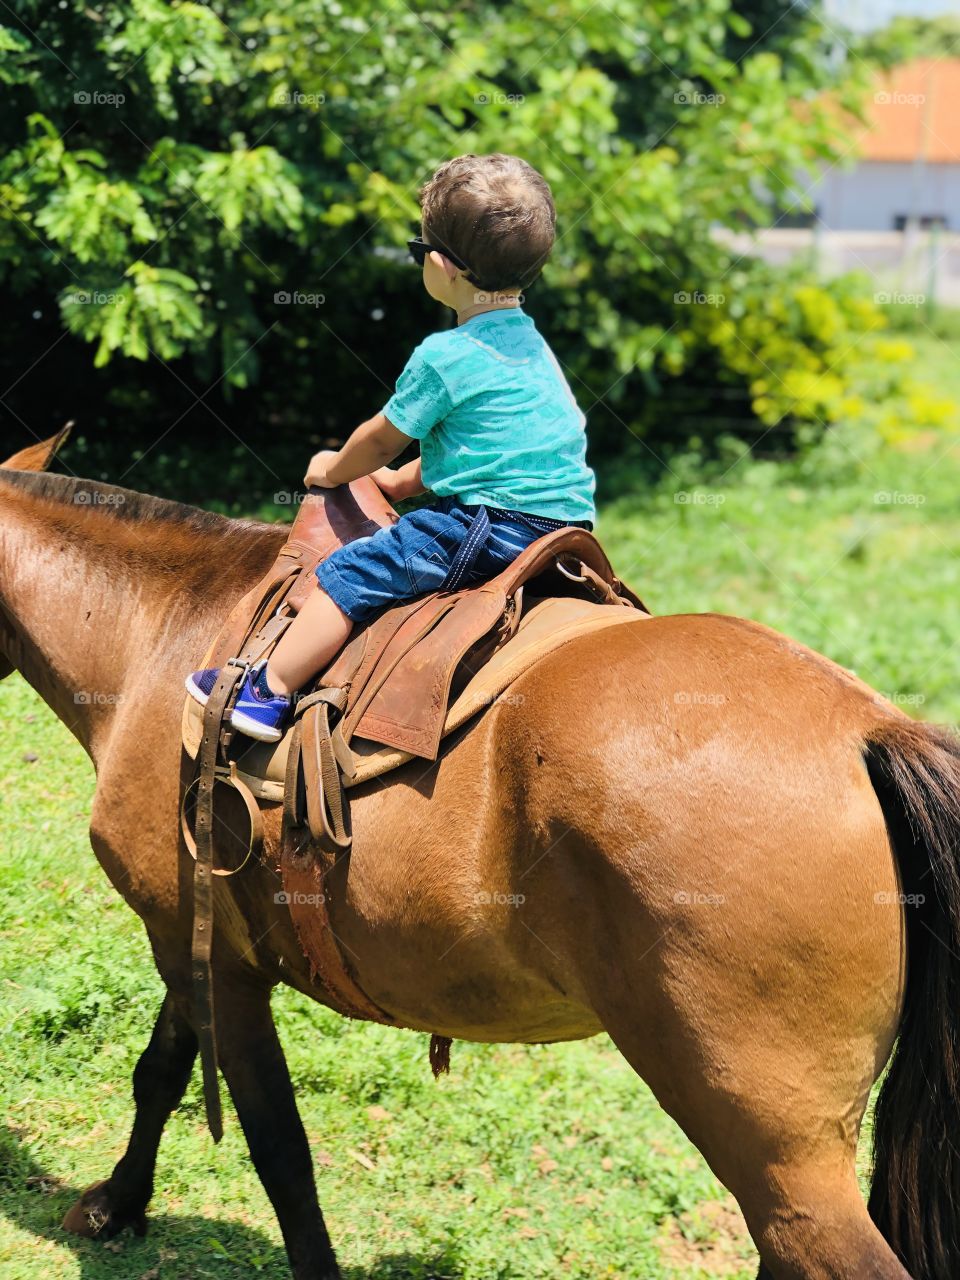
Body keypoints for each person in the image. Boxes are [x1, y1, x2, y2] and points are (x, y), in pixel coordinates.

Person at [186, 152, 596, 741]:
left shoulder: (445, 354)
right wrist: (404, 485)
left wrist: (334, 468)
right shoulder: (531, 344)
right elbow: (491, 450)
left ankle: (265, 692)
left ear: (438, 265)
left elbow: (380, 439)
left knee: (348, 574)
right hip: (565, 526)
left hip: (490, 526)